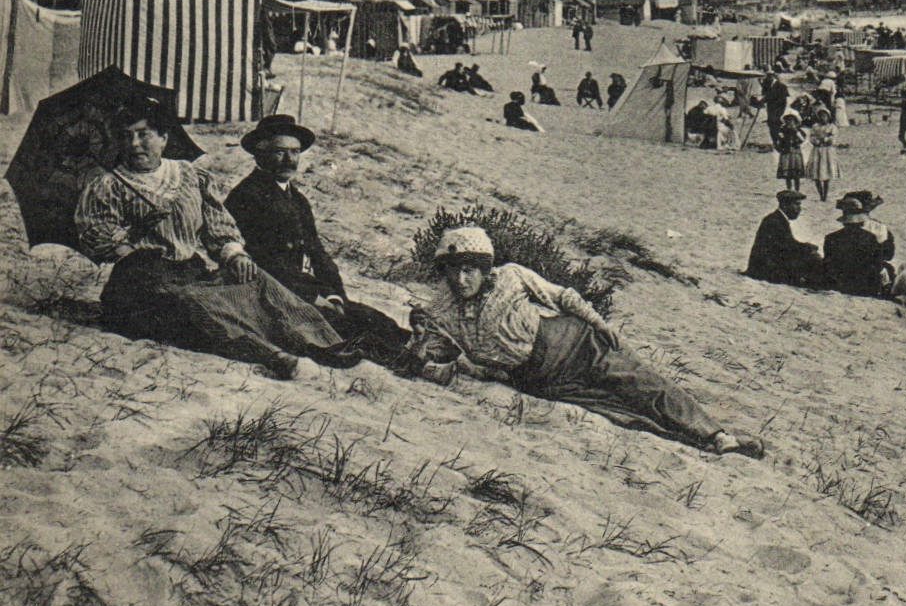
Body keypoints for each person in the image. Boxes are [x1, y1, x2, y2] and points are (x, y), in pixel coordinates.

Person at [413, 228, 763, 458]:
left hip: (580, 345)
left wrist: (598, 323)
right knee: (622, 414)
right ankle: (696, 444)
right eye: (454, 269)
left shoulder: (511, 276)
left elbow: (562, 296)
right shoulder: (442, 311)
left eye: (470, 269)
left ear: (484, 267)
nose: (462, 278)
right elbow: (434, 357)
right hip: (546, 382)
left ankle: (719, 437)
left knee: (644, 386)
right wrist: (422, 344)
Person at [75, 98, 350, 380]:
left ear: (163, 138)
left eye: (144, 134)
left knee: (257, 280)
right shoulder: (108, 184)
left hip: (189, 270)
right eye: (126, 136)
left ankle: (320, 342)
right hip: (140, 281)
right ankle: (274, 357)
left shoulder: (189, 176)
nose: (135, 144)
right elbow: (96, 234)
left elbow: (218, 226)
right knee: (198, 303)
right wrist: (131, 239)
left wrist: (234, 254)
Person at [225, 114, 409, 366]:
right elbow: (265, 262)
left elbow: (318, 252)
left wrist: (335, 296)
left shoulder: (297, 199)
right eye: (280, 152)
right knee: (345, 330)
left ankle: (423, 350)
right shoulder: (246, 196)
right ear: (260, 153)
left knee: (374, 319)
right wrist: (313, 297)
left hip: (301, 288)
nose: (290, 160)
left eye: (295, 152)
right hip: (268, 292)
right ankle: (416, 364)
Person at [745, 191, 825, 287]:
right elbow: (786, 247)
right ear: (785, 205)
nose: (799, 209)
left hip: (766, 266)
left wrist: (806, 247)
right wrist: (807, 248)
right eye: (796, 204)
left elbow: (787, 244)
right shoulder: (775, 221)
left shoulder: (777, 218)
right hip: (765, 270)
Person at [823, 198, 889, 297]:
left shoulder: (831, 238)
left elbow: (828, 263)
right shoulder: (870, 238)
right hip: (865, 286)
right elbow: (877, 263)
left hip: (840, 284)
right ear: (861, 221)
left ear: (844, 221)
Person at [807, 106, 839, 202]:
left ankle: (825, 195)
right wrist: (816, 141)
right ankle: (820, 193)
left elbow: (833, 139)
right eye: (821, 116)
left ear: (828, 117)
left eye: (825, 116)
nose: (823, 118)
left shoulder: (832, 127)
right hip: (817, 151)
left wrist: (825, 139)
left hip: (827, 151)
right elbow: (811, 137)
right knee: (816, 174)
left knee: (826, 174)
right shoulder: (815, 127)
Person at [774, 113, 807, 193]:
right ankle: (789, 188)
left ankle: (797, 190)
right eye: (788, 120)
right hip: (786, 152)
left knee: (796, 173)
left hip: (795, 153)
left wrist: (796, 132)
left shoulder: (798, 131)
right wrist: (779, 146)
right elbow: (778, 140)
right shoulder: (782, 130)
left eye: (791, 120)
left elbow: (802, 140)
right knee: (787, 174)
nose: (789, 122)